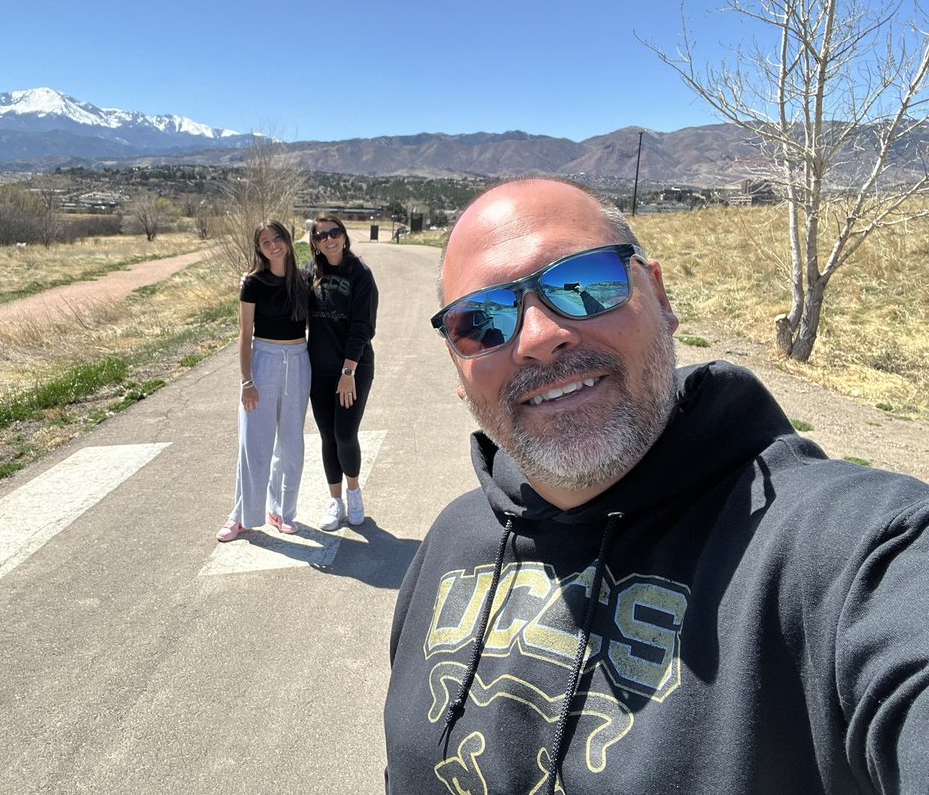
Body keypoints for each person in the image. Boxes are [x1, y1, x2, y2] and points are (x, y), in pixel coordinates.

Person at [384, 178, 929, 794]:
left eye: (583, 284)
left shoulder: (851, 551)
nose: (538, 338)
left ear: (661, 297)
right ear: (460, 371)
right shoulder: (452, 541)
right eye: (481, 322)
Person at [216, 220, 311, 543]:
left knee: (291, 444)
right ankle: (241, 516)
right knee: (254, 444)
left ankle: (282, 511)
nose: (273, 245)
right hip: (264, 361)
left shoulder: (302, 281)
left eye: (277, 238)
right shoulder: (253, 283)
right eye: (265, 241)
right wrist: (247, 381)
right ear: (259, 248)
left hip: (299, 362)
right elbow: (245, 334)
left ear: (287, 240)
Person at [306, 213, 379, 531]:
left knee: (344, 434)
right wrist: (250, 280)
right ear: (315, 243)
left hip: (353, 369)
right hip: (319, 369)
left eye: (334, 232)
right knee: (327, 436)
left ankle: (354, 494)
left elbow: (363, 327)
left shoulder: (360, 274)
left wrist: (348, 371)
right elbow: (283, 293)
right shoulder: (310, 272)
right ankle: (335, 502)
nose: (329, 238)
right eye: (321, 235)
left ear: (345, 236)